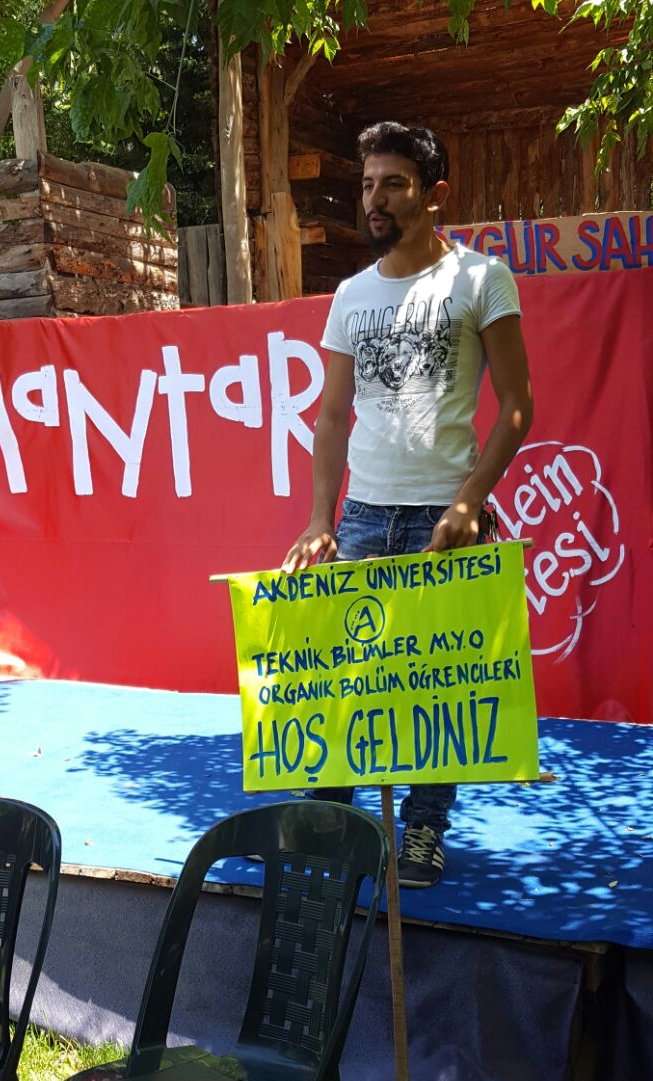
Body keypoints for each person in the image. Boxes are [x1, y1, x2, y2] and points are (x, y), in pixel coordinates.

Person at [282, 120, 533, 889]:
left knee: (438, 690)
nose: (375, 199)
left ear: (435, 195)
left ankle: (423, 831)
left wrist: (469, 503)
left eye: (393, 183)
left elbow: (517, 407)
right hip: (361, 518)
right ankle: (331, 823)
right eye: (367, 185)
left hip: (442, 518)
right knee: (344, 679)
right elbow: (331, 416)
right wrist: (321, 520)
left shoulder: (482, 280)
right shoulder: (350, 295)